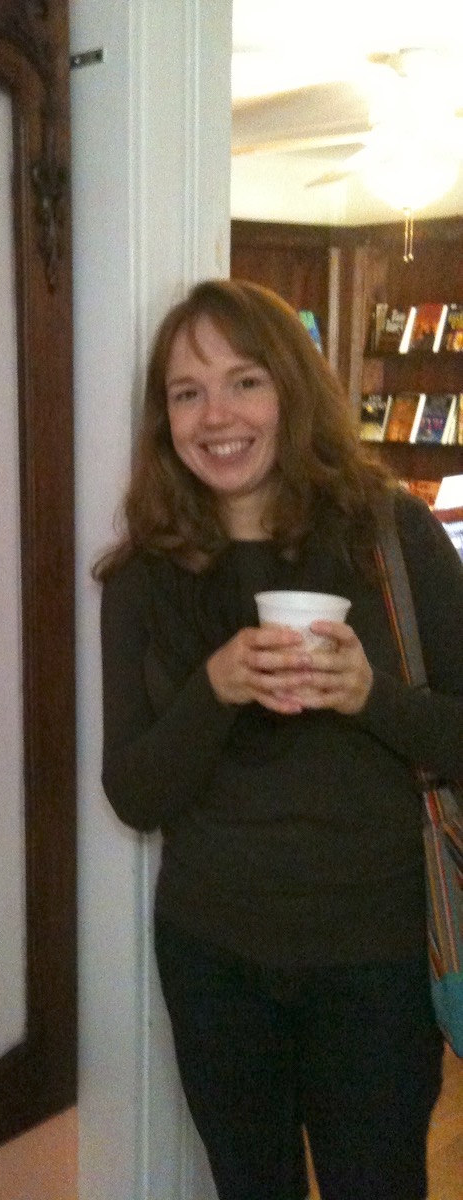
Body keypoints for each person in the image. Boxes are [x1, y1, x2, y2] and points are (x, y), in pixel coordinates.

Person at [97, 279, 463, 1200]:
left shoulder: (393, 536)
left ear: (291, 390)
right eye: (187, 392)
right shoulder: (144, 576)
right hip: (213, 958)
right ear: (165, 418)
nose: (216, 415)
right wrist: (215, 690)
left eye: (244, 381)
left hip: (374, 962)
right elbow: (135, 792)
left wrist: (369, 694)